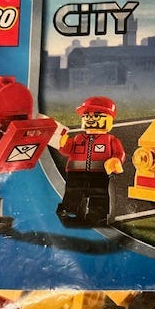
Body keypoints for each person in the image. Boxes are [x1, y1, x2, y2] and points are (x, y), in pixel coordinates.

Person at [56, 96, 125, 226]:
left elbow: (119, 153)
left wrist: (116, 160)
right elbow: (66, 150)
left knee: (99, 194)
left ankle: (97, 216)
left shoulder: (110, 140)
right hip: (76, 173)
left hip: (99, 173)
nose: (90, 119)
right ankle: (71, 212)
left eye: (97, 116)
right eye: (87, 116)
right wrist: (63, 143)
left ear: (109, 119)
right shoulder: (78, 138)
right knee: (73, 193)